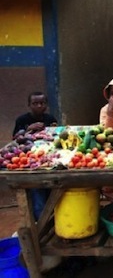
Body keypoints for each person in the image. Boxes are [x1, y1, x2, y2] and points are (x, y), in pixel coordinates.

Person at [12, 91, 58, 221]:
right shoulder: (22, 120)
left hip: (47, 159)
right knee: (37, 194)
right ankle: (41, 223)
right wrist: (28, 129)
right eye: (35, 103)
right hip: (29, 163)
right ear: (29, 105)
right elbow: (15, 140)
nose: (39, 106)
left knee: (51, 192)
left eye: (42, 103)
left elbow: (57, 136)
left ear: (46, 105)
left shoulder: (50, 119)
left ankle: (53, 221)